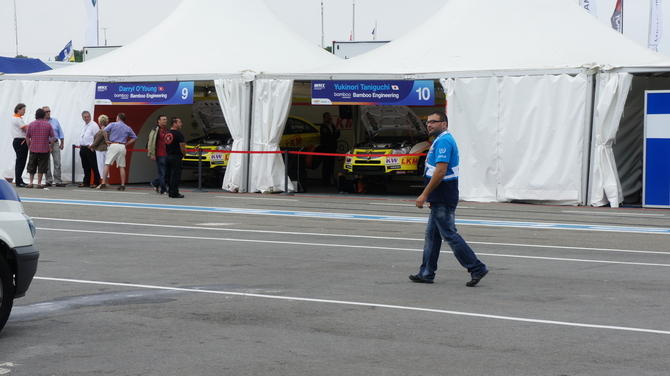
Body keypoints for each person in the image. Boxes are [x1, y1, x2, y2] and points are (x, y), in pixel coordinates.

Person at [409, 111, 489, 287]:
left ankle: (476, 267)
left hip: (444, 196)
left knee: (449, 235)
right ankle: (427, 273)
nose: (429, 125)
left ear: (444, 124)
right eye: (427, 122)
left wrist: (424, 194)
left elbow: (440, 171)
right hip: (440, 196)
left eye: (434, 122)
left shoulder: (444, 141)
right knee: (432, 236)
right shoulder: (439, 140)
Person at [97, 113, 137, 191]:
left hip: (114, 144)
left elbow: (104, 130)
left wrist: (106, 140)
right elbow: (134, 137)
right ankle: (122, 185)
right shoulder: (128, 127)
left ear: (118, 118)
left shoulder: (113, 124)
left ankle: (103, 183)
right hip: (122, 146)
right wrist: (126, 144)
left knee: (107, 164)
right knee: (121, 166)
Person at [24, 108, 55, 188]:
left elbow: (27, 137)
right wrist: (51, 147)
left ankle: (30, 182)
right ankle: (39, 183)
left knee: (31, 165)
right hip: (44, 148)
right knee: (42, 166)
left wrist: (29, 146)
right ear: (44, 115)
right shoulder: (48, 124)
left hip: (34, 148)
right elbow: (52, 138)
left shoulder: (31, 124)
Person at [43, 106, 66, 187]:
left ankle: (58, 180)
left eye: (49, 111)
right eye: (46, 111)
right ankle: (48, 180)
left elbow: (60, 132)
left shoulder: (55, 121)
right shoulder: (41, 122)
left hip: (55, 142)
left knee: (57, 162)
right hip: (45, 143)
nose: (48, 113)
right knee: (47, 163)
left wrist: (62, 142)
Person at [164, 117, 186, 198]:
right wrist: (184, 154)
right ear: (174, 123)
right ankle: (174, 192)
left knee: (169, 175)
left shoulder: (167, 134)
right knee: (175, 175)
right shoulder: (179, 134)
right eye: (179, 122)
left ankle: (170, 190)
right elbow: (182, 147)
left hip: (168, 155)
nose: (181, 124)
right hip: (176, 156)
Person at [147, 114, 169, 194]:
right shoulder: (155, 130)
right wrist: (152, 153)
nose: (165, 121)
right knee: (162, 173)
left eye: (166, 119)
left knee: (167, 173)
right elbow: (151, 142)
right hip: (160, 154)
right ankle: (163, 189)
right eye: (163, 119)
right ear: (158, 121)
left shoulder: (166, 130)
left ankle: (155, 183)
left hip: (167, 154)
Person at [78, 111, 101, 188]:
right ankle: (86, 182)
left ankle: (96, 182)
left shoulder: (94, 125)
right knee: (85, 166)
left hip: (90, 148)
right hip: (83, 147)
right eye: (85, 117)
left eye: (88, 116)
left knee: (94, 166)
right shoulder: (83, 125)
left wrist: (93, 146)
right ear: (83, 118)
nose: (87, 118)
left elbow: (97, 137)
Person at [320, 112, 340, 186]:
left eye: (329, 116)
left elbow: (336, 134)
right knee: (326, 165)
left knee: (332, 165)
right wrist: (333, 134)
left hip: (332, 148)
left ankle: (331, 179)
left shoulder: (332, 126)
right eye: (327, 117)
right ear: (324, 118)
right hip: (326, 149)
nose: (329, 118)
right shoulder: (323, 127)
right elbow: (327, 137)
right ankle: (325, 181)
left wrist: (334, 134)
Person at [11, 103, 29, 187]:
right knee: (21, 161)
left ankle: (19, 178)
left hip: (18, 140)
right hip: (20, 140)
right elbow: (26, 129)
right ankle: (18, 180)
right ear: (18, 110)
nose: (24, 111)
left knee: (20, 161)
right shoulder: (17, 119)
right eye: (23, 110)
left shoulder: (17, 118)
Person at [90, 115, 109, 181]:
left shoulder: (101, 131)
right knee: (106, 165)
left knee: (101, 166)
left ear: (100, 122)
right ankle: (107, 182)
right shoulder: (109, 130)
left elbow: (97, 141)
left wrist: (92, 146)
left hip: (100, 149)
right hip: (107, 149)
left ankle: (103, 182)